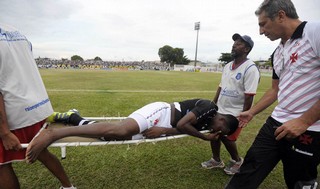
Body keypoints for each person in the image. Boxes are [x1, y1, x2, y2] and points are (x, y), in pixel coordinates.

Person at [225, 0, 320, 188]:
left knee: (300, 183)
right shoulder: (277, 52)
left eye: (263, 24)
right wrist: (252, 112)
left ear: (281, 15)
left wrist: (304, 121)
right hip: (275, 123)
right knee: (246, 174)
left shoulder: (315, 32)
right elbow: (275, 90)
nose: (261, 31)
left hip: (310, 129)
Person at [26, 99, 239, 163]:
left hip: (164, 124)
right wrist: (204, 137)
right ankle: (53, 134)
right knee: (120, 130)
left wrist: (164, 131)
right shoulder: (210, 108)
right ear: (222, 119)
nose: (217, 132)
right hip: (162, 111)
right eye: (221, 129)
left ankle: (73, 118)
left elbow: (180, 129)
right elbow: (183, 125)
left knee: (108, 136)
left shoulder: (211, 123)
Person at [0, 24, 76, 189]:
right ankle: (68, 187)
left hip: (13, 113)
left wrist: (5, 132)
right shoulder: (16, 32)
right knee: (42, 152)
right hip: (36, 108)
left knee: (1, 165)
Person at [201, 34, 260, 175]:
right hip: (221, 108)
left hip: (236, 112)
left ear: (246, 49)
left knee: (226, 135)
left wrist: (243, 115)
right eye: (234, 43)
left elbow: (249, 95)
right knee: (214, 130)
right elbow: (221, 86)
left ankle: (237, 160)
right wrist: (213, 105)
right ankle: (216, 160)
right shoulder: (228, 66)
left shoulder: (250, 68)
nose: (234, 45)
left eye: (239, 44)